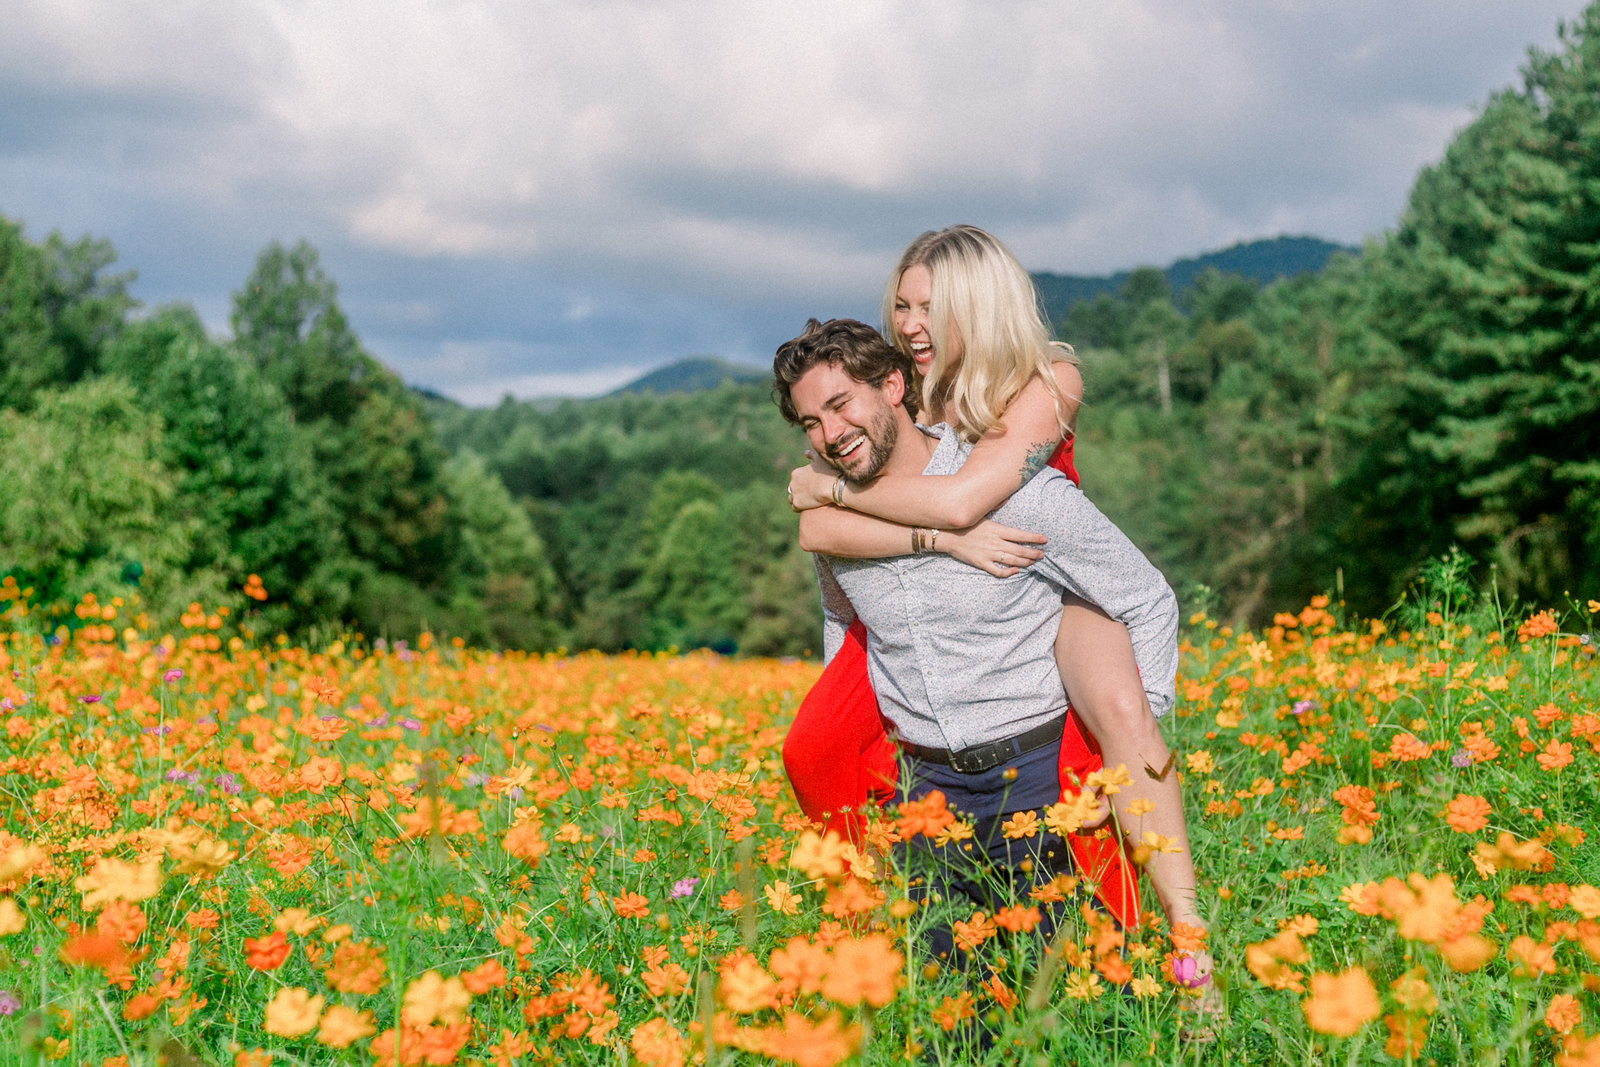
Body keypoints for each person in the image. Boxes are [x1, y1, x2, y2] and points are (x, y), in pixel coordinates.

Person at [782, 226, 1208, 950]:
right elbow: (833, 550)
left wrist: (838, 496)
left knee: (1122, 710)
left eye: (928, 307)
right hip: (936, 759)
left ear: (974, 306)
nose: (911, 324)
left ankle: (1189, 936)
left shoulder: (1043, 383)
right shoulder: (901, 402)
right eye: (901, 306)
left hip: (1048, 574)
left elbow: (962, 501)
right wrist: (828, 495)